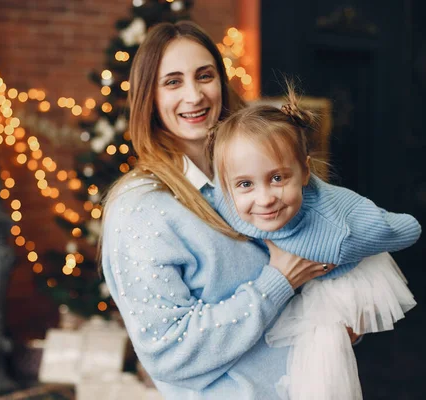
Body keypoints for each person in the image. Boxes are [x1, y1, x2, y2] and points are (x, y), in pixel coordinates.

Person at [100, 21, 347, 399]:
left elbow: (324, 252)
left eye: (204, 76)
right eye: (173, 82)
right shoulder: (140, 209)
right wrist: (276, 282)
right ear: (148, 97)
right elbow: (168, 351)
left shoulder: (259, 172)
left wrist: (339, 318)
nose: (194, 95)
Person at [210, 87, 421, 399]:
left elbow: (409, 229)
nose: (264, 199)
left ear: (306, 171)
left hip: (342, 270)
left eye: (277, 178)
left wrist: (372, 231)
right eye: (245, 184)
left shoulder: (338, 235)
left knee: (322, 365)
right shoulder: (228, 204)